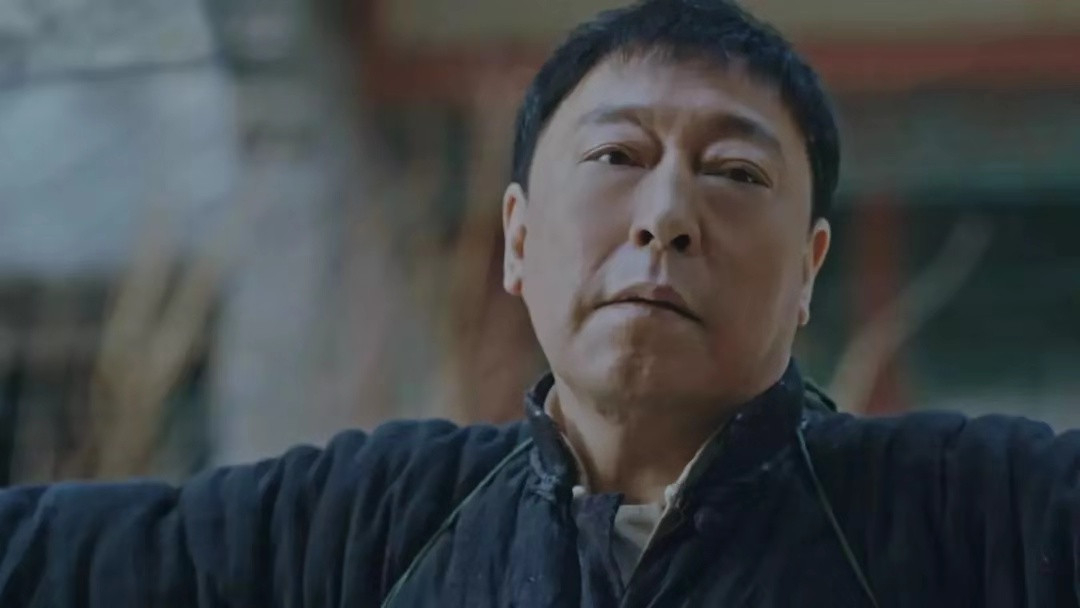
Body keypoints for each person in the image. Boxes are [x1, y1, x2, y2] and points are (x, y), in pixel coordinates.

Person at [2, 1, 1078, 606]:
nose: (666, 215)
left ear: (807, 270)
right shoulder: (377, 524)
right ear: (517, 239)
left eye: (735, 172)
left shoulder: (959, 515)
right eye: (617, 156)